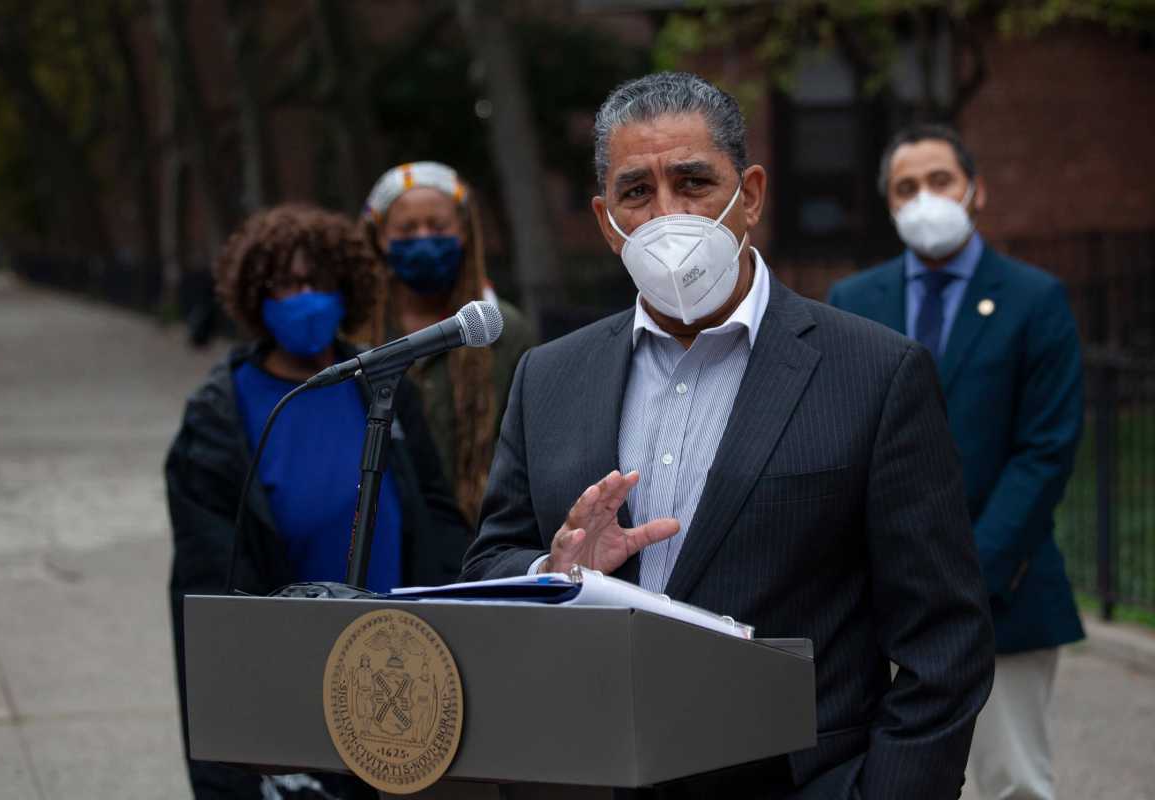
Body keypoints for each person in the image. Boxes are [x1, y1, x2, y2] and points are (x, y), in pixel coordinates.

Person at [460, 72, 995, 799]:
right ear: (605, 220)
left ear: (751, 195)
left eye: (693, 182)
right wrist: (549, 572)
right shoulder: (549, 376)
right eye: (637, 192)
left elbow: (945, 640)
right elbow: (490, 561)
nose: (667, 214)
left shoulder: (873, 373)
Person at [166, 203, 470, 799]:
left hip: (404, 671)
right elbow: (207, 589)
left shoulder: (382, 385)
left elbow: (438, 520)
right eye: (286, 283)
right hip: (295, 685)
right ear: (257, 295)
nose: (305, 297)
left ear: (346, 288)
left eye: (319, 281)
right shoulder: (219, 416)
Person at [828, 123, 1085, 800]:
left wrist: (968, 574)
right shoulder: (853, 301)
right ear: (889, 205)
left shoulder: (1035, 298)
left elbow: (1046, 450)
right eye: (905, 187)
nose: (924, 198)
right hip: (877, 607)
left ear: (976, 191)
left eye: (940, 180)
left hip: (1006, 593)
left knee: (1012, 783)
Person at [362, 162, 537, 525]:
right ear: (380, 237)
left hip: (478, 530)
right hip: (380, 529)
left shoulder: (502, 329)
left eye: (438, 226)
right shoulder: (357, 331)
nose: (424, 238)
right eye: (407, 229)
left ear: (464, 232)